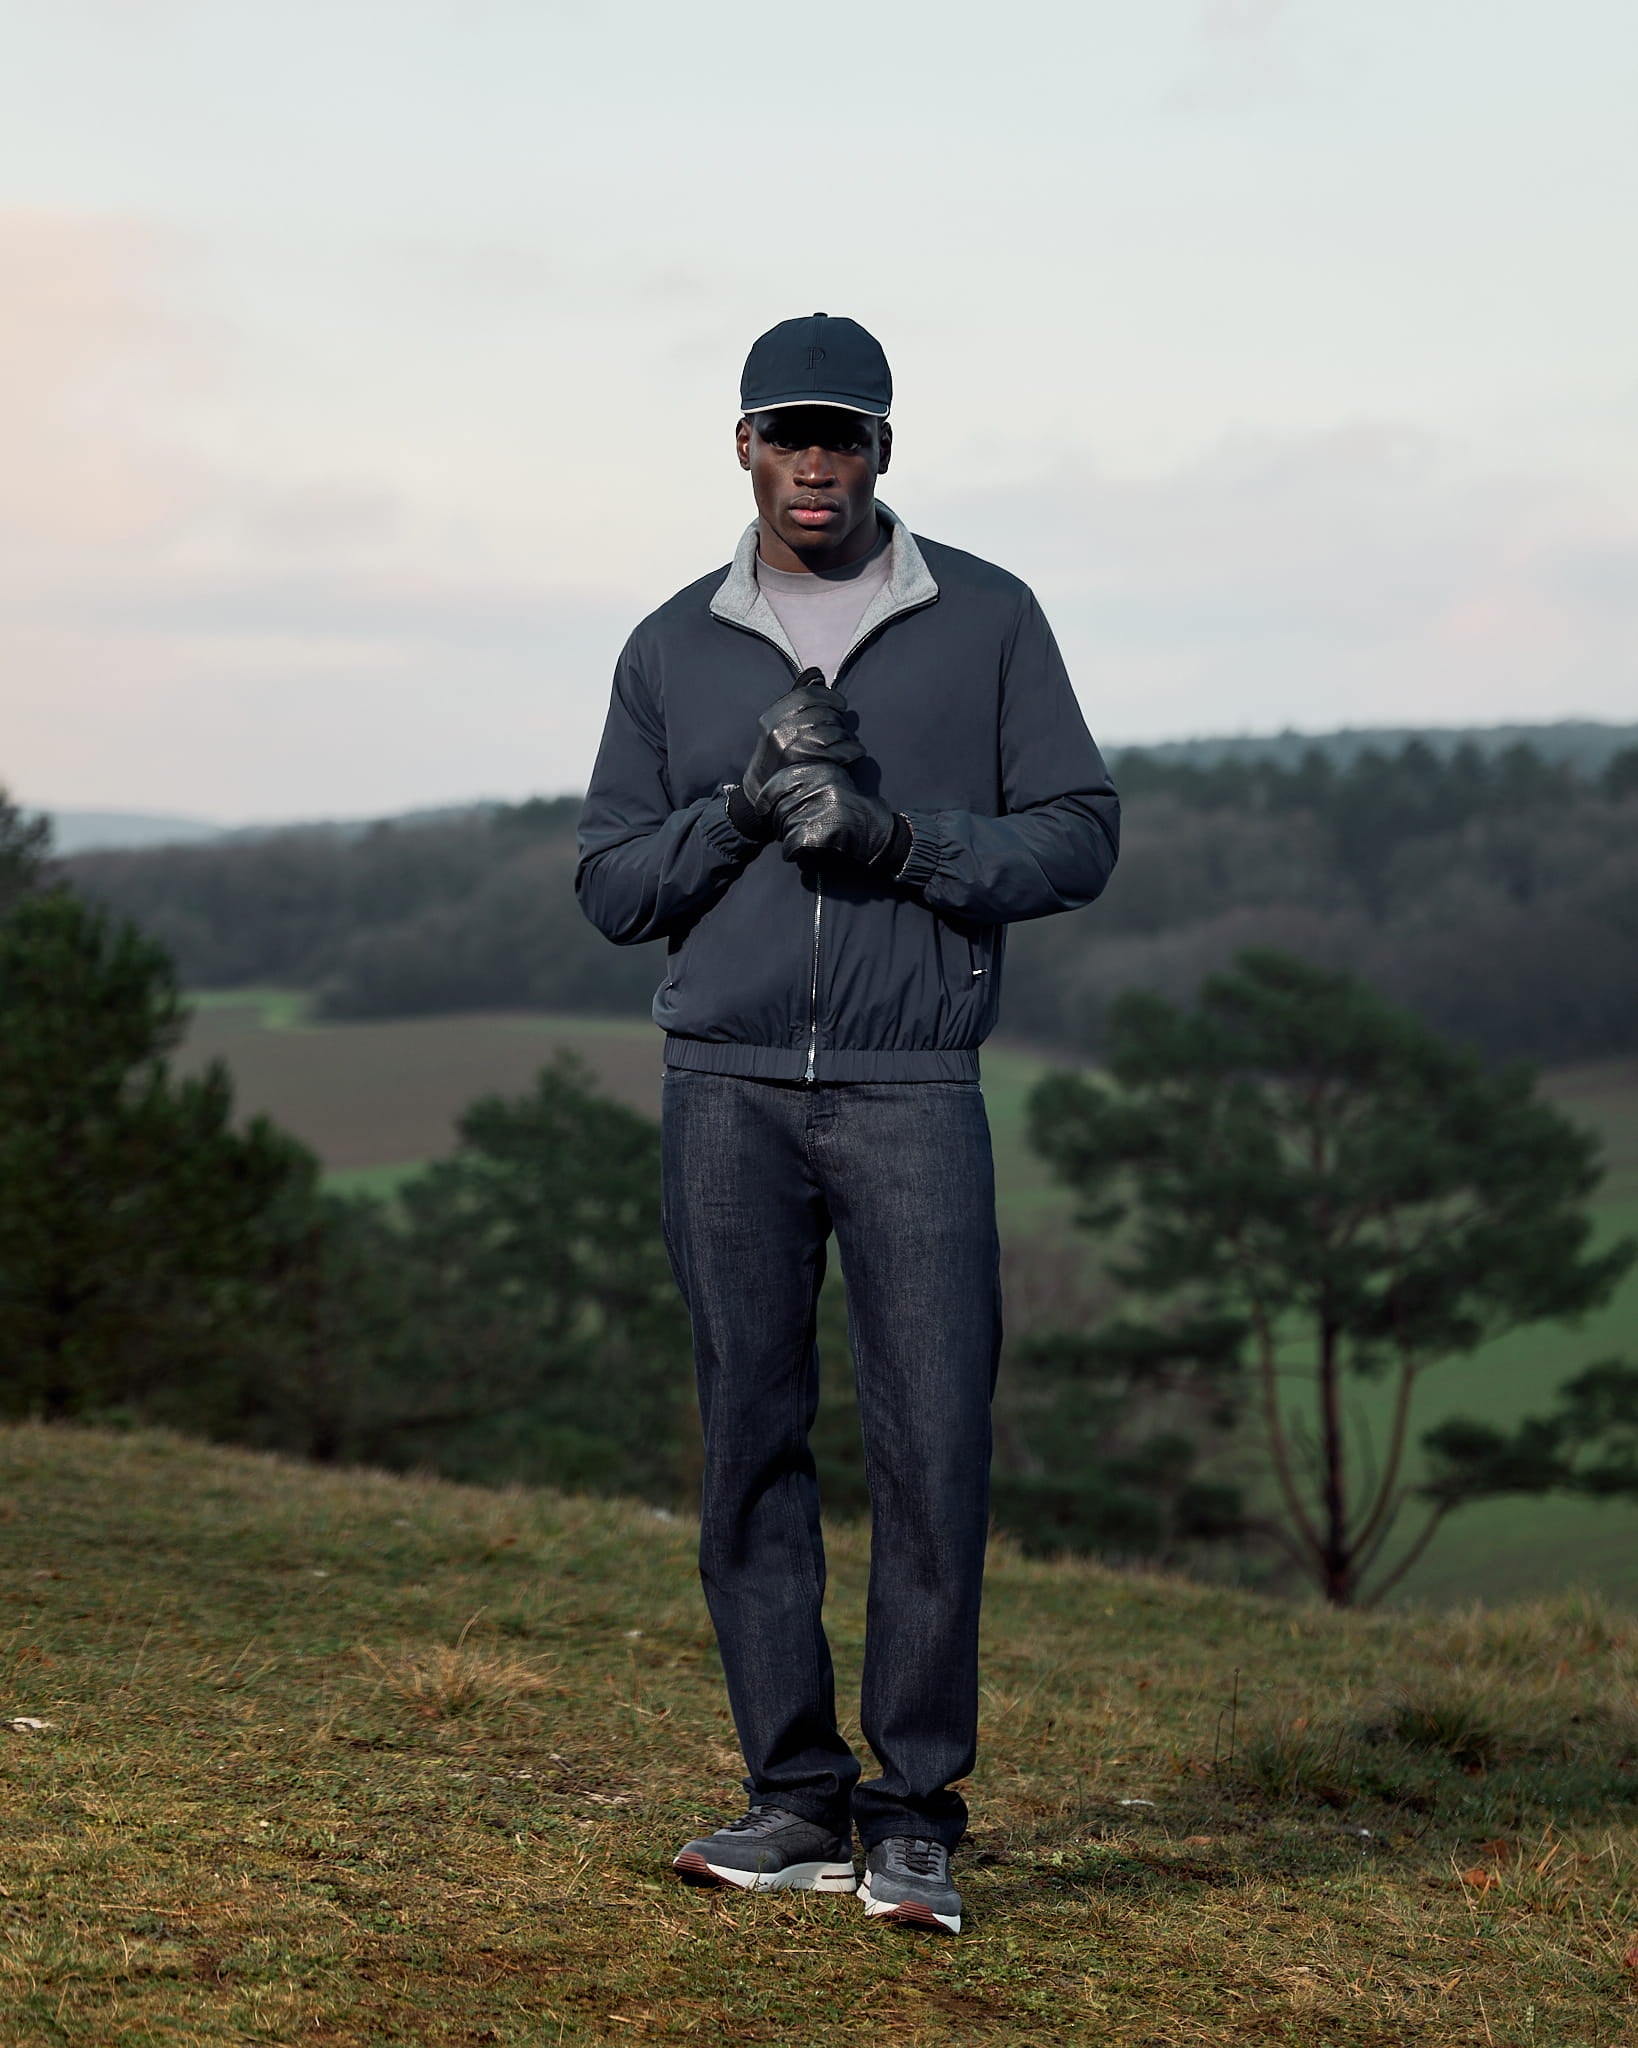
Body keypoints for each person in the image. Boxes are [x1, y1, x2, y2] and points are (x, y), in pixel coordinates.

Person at [575, 313, 1119, 1935]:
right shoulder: (673, 646)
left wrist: (895, 839)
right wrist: (738, 806)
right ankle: (792, 1799)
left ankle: (913, 1814)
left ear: (887, 449)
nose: (817, 462)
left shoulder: (990, 619)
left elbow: (1076, 839)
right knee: (748, 1446)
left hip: (909, 1088)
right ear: (740, 445)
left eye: (847, 436)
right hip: (723, 1092)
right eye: (787, 434)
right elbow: (610, 886)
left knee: (932, 1450)